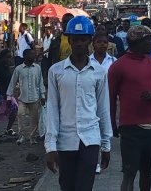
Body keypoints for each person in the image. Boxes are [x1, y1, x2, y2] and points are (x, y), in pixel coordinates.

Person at [45, 16, 112, 190]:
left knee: (84, 186)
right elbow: (52, 108)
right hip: (65, 139)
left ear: (90, 40)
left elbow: (103, 108)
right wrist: (50, 146)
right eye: (76, 39)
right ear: (69, 40)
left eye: (83, 39)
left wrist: (106, 145)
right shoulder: (56, 71)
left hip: (90, 139)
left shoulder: (99, 72)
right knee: (67, 186)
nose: (79, 44)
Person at [108, 25, 151, 191]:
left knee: (147, 172)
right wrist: (112, 124)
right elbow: (111, 99)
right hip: (130, 128)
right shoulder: (118, 66)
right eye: (148, 40)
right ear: (138, 42)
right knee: (129, 172)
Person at [7, 48, 46, 144]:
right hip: (22, 98)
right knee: (20, 116)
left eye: (34, 54)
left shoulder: (37, 68)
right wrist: (9, 96)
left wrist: (43, 96)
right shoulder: (18, 69)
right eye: (31, 54)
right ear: (25, 56)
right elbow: (13, 82)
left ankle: (32, 137)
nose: (34, 56)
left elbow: (40, 82)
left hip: (35, 97)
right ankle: (22, 136)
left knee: (34, 119)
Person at [0, 49, 18, 137]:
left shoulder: (6, 67)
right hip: (0, 93)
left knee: (14, 109)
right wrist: (1, 93)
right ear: (3, 57)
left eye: (10, 57)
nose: (10, 59)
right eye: (8, 57)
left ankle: (8, 128)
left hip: (8, 93)